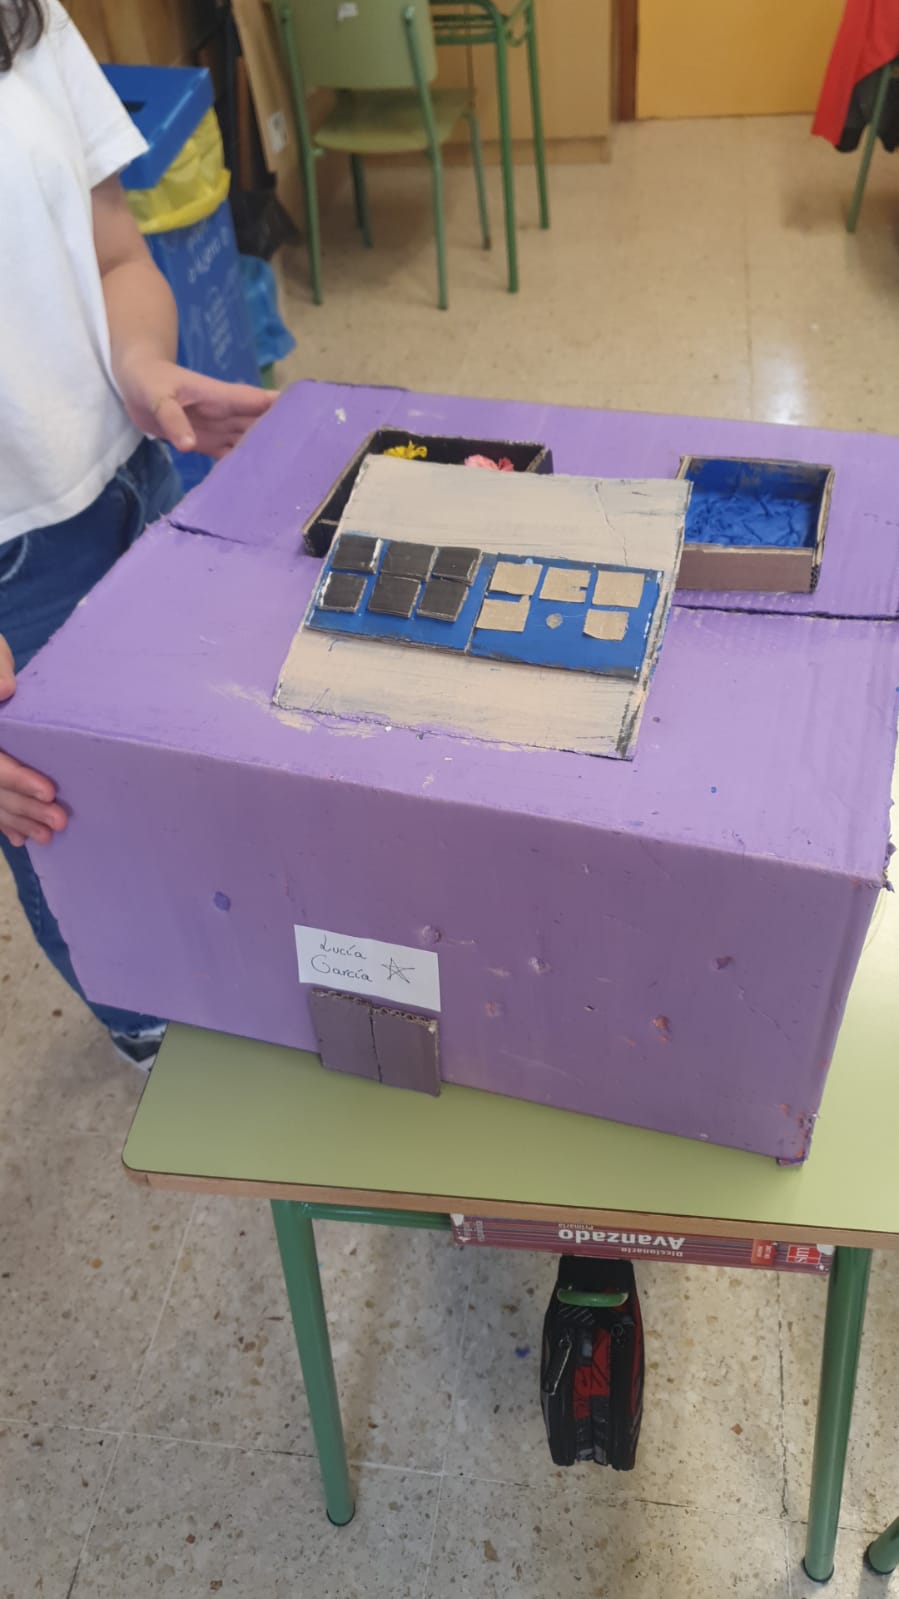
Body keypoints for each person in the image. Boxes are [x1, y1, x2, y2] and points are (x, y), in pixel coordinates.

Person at [0, 0, 277, 1064]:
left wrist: (143, 367)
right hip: (12, 574)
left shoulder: (27, 21)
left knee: (193, 749)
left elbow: (115, 253)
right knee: (71, 833)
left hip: (127, 475)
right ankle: (151, 1036)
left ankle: (232, 972)